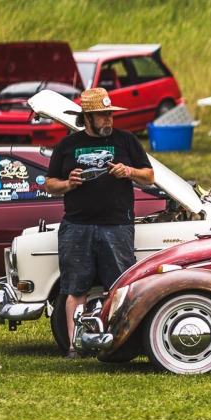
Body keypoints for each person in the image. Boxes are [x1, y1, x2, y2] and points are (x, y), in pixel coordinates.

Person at [44, 87, 155, 358]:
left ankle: (120, 342)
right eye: (103, 115)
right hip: (76, 226)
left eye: (110, 114)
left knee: (121, 286)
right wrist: (68, 183)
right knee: (74, 287)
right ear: (87, 117)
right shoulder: (67, 145)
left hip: (117, 225)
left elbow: (149, 176)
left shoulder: (127, 140)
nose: (108, 120)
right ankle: (74, 345)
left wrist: (128, 171)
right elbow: (49, 184)